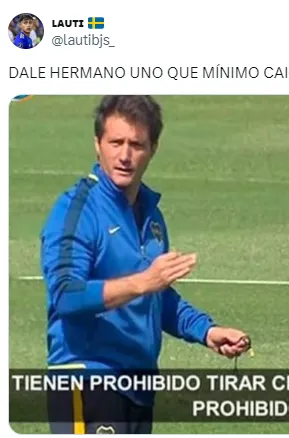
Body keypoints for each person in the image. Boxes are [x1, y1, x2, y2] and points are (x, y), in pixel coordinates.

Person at [40, 95, 251, 434]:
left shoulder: (152, 217)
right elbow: (66, 294)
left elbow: (156, 297)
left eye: (136, 144)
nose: (125, 155)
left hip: (138, 389)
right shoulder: (78, 210)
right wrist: (142, 282)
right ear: (97, 144)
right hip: (88, 380)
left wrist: (206, 331)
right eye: (115, 143)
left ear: (153, 149)